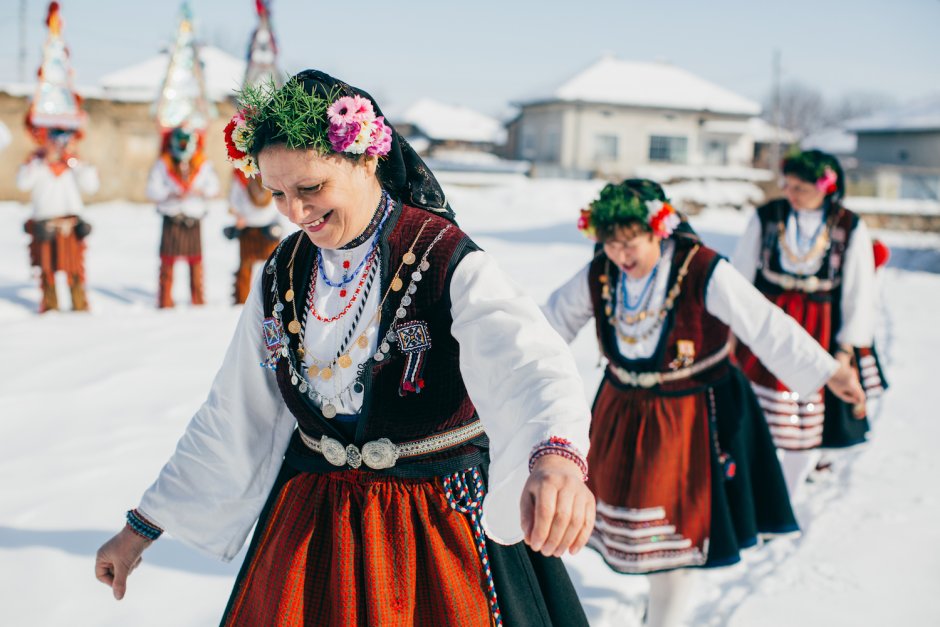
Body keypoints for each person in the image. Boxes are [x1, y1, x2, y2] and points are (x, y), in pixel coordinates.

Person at [95, 70, 595, 626]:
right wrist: (141, 529)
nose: (295, 211)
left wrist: (556, 460)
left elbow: (530, 364)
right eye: (277, 193)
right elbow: (235, 412)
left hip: (435, 523)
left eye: (311, 189)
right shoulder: (283, 272)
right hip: (313, 529)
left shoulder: (446, 259)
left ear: (364, 160)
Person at [542, 179, 865, 627]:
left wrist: (832, 371)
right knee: (637, 530)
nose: (620, 255)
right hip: (621, 412)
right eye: (610, 244)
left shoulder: (702, 269)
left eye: (629, 243)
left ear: (660, 229)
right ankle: (657, 606)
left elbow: (767, 324)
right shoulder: (601, 273)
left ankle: (665, 619)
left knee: (680, 534)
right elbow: (548, 327)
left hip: (690, 418)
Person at [731, 149, 888, 497]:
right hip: (767, 325)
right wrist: (732, 331)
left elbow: (858, 292)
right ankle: (755, 490)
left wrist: (846, 349)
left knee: (806, 422)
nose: (790, 193)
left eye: (800, 188)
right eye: (788, 185)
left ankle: (786, 493)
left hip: (820, 327)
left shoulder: (848, 225)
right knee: (755, 416)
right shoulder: (768, 217)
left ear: (825, 188)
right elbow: (740, 276)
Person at [146, 126, 220, 308]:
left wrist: (198, 190)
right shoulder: (163, 163)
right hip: (172, 218)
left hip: (193, 219)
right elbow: (152, 189)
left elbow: (214, 187)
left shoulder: (202, 164)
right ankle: (164, 301)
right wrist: (171, 193)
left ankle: (197, 301)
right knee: (167, 263)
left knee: (195, 263)